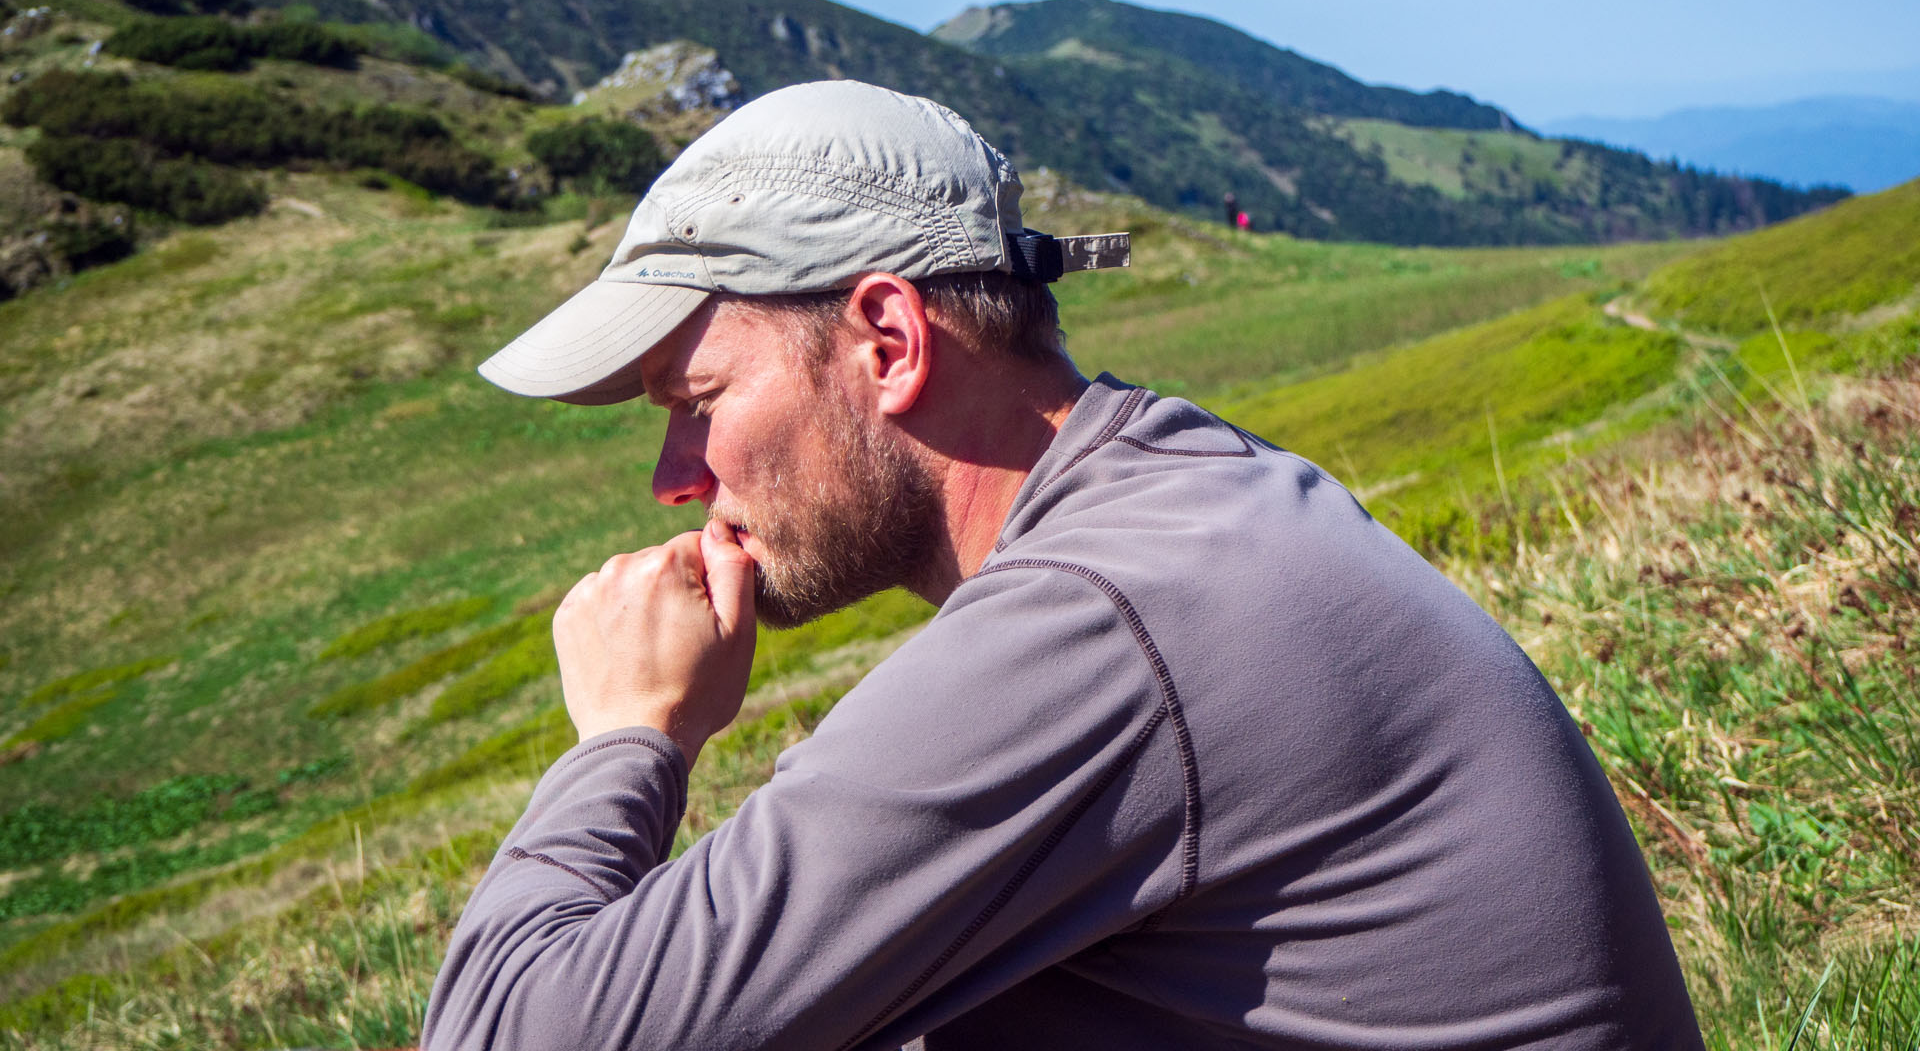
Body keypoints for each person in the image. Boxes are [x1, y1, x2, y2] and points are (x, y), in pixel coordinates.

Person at [424, 80, 1704, 1050]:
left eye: (696, 395)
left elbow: (508, 1030)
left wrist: (626, 741)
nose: (673, 474)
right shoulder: (1175, 491)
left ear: (886, 338)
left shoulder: (1105, 619)